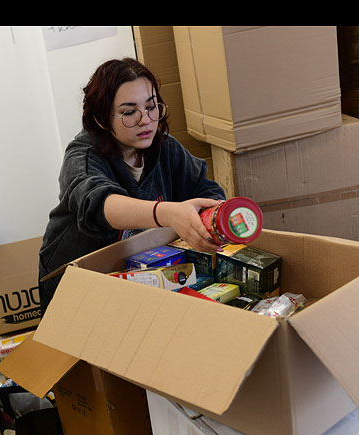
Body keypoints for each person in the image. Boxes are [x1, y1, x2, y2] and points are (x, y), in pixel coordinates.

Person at [38, 58, 226, 311]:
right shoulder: (82, 156)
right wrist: (170, 214)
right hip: (76, 281)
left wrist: (214, 218)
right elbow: (100, 204)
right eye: (129, 112)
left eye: (151, 107)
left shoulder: (165, 148)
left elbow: (206, 192)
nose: (145, 120)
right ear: (102, 118)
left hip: (142, 276)